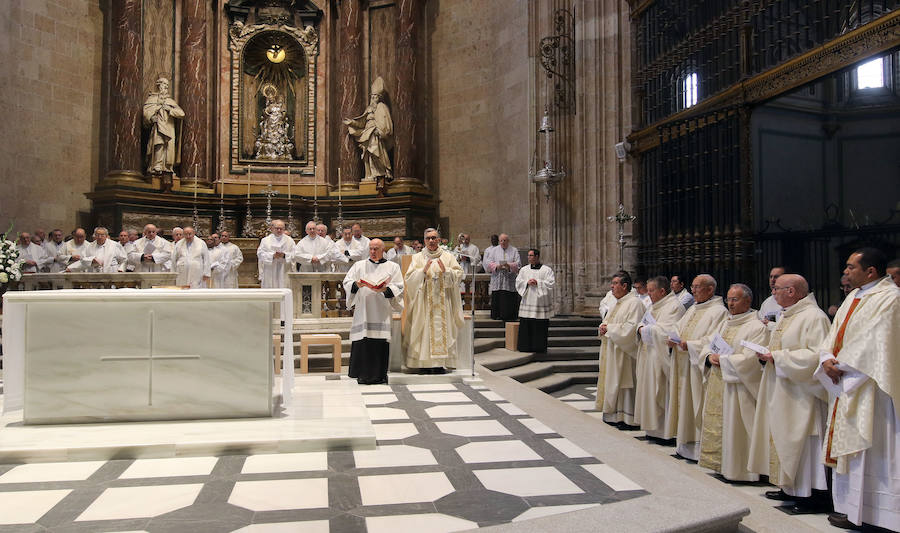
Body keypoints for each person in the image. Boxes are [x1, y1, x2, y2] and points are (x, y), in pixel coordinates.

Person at [816, 248, 899, 530]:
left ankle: (879, 515)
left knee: (873, 449)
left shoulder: (891, 298)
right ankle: (850, 509)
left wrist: (842, 365)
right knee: (850, 452)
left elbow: (878, 341)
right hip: (847, 382)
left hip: (872, 387)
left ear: (871, 271)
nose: (846, 271)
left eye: (851, 267)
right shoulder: (853, 297)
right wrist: (826, 358)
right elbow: (833, 333)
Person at [748, 274, 830, 512]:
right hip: (784, 389)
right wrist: (768, 354)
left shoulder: (814, 317)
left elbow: (818, 356)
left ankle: (812, 496)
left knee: (804, 444)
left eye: (776, 289)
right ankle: (790, 487)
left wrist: (777, 357)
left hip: (803, 395)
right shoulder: (788, 314)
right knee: (783, 438)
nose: (773, 293)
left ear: (791, 291)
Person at [697, 283, 768, 481]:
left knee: (738, 428)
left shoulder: (756, 327)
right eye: (728, 299)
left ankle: (742, 471)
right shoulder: (725, 323)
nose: (730, 303)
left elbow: (751, 360)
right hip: (719, 381)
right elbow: (709, 344)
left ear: (748, 300)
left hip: (740, 389)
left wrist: (724, 360)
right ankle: (722, 466)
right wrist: (708, 356)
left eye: (735, 299)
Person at [667, 274, 729, 461]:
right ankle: (684, 446)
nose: (693, 290)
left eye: (697, 287)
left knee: (696, 405)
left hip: (698, 367)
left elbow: (715, 339)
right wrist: (673, 337)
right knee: (684, 404)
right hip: (683, 364)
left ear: (710, 289)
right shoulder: (694, 308)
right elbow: (678, 326)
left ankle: (698, 448)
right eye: (692, 287)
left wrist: (691, 345)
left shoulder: (719, 312)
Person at [403, 228, 465, 374]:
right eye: (428, 238)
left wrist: (447, 271)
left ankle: (439, 364)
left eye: (434, 238)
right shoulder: (417, 257)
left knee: (443, 330)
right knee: (423, 330)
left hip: (443, 302)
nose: (431, 241)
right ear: (424, 240)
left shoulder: (448, 257)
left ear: (438, 239)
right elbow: (409, 279)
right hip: (424, 303)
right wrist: (422, 272)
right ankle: (423, 364)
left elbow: (459, 275)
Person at [342, 239, 403, 384]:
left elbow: (399, 286)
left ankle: (378, 375)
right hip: (363, 310)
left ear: (383, 250)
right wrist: (356, 285)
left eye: (376, 249)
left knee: (379, 342)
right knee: (363, 340)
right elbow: (347, 282)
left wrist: (386, 289)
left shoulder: (392, 267)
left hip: (381, 311)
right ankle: (362, 375)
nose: (373, 252)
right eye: (371, 249)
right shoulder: (359, 265)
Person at [634, 275, 686, 439]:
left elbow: (669, 331)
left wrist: (647, 329)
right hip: (649, 355)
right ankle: (652, 429)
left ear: (662, 291)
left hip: (660, 358)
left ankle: (665, 433)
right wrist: (641, 328)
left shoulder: (674, 306)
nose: (648, 294)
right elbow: (643, 322)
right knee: (649, 392)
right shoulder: (653, 306)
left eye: (651, 291)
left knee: (662, 393)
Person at [595, 271, 644, 425]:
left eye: (615, 283)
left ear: (625, 286)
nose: (612, 286)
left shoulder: (634, 303)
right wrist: (603, 327)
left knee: (624, 386)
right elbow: (607, 321)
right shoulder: (618, 303)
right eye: (612, 283)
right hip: (612, 350)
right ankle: (613, 415)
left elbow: (631, 328)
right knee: (612, 382)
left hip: (625, 353)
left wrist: (609, 328)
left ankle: (627, 418)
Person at [343, 76, 393, 195]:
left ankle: (381, 175)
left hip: (376, 134)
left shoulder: (382, 107)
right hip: (367, 133)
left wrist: (381, 131)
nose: (373, 98)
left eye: (375, 96)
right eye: (372, 96)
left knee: (377, 154)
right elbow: (362, 122)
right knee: (366, 155)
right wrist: (352, 123)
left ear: (379, 97)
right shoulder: (369, 108)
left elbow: (386, 123)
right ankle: (369, 175)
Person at [142, 77, 184, 174]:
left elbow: (181, 113)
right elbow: (146, 112)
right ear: (158, 85)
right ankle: (157, 165)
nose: (165, 87)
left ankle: (167, 166)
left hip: (168, 128)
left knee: (168, 147)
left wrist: (170, 110)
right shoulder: (152, 99)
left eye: (167, 85)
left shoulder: (170, 101)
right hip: (158, 127)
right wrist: (151, 117)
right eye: (164, 84)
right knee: (158, 143)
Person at [516, 249, 555, 353]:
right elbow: (518, 282)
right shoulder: (524, 270)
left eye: (531, 255)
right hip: (528, 302)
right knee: (526, 325)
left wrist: (538, 282)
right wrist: (527, 282)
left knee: (539, 326)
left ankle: (539, 348)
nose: (529, 257)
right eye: (528, 255)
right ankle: (525, 347)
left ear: (537, 257)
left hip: (540, 304)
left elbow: (551, 283)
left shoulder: (546, 270)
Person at [484, 233, 521, 321]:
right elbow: (488, 262)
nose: (503, 242)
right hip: (498, 277)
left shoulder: (514, 250)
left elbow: (518, 263)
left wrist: (509, 265)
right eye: (501, 241)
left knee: (508, 297)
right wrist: (497, 266)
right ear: (499, 241)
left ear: (508, 241)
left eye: (505, 240)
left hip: (509, 278)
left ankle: (509, 316)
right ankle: (497, 315)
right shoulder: (494, 250)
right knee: (498, 296)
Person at [256, 220, 295, 288]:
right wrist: (272, 256)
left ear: (284, 229)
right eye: (277, 228)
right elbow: (260, 254)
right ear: (272, 228)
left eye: (281, 228)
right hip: (270, 270)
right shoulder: (265, 240)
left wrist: (284, 255)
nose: (279, 230)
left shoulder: (290, 240)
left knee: (284, 288)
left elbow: (295, 254)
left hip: (284, 270)